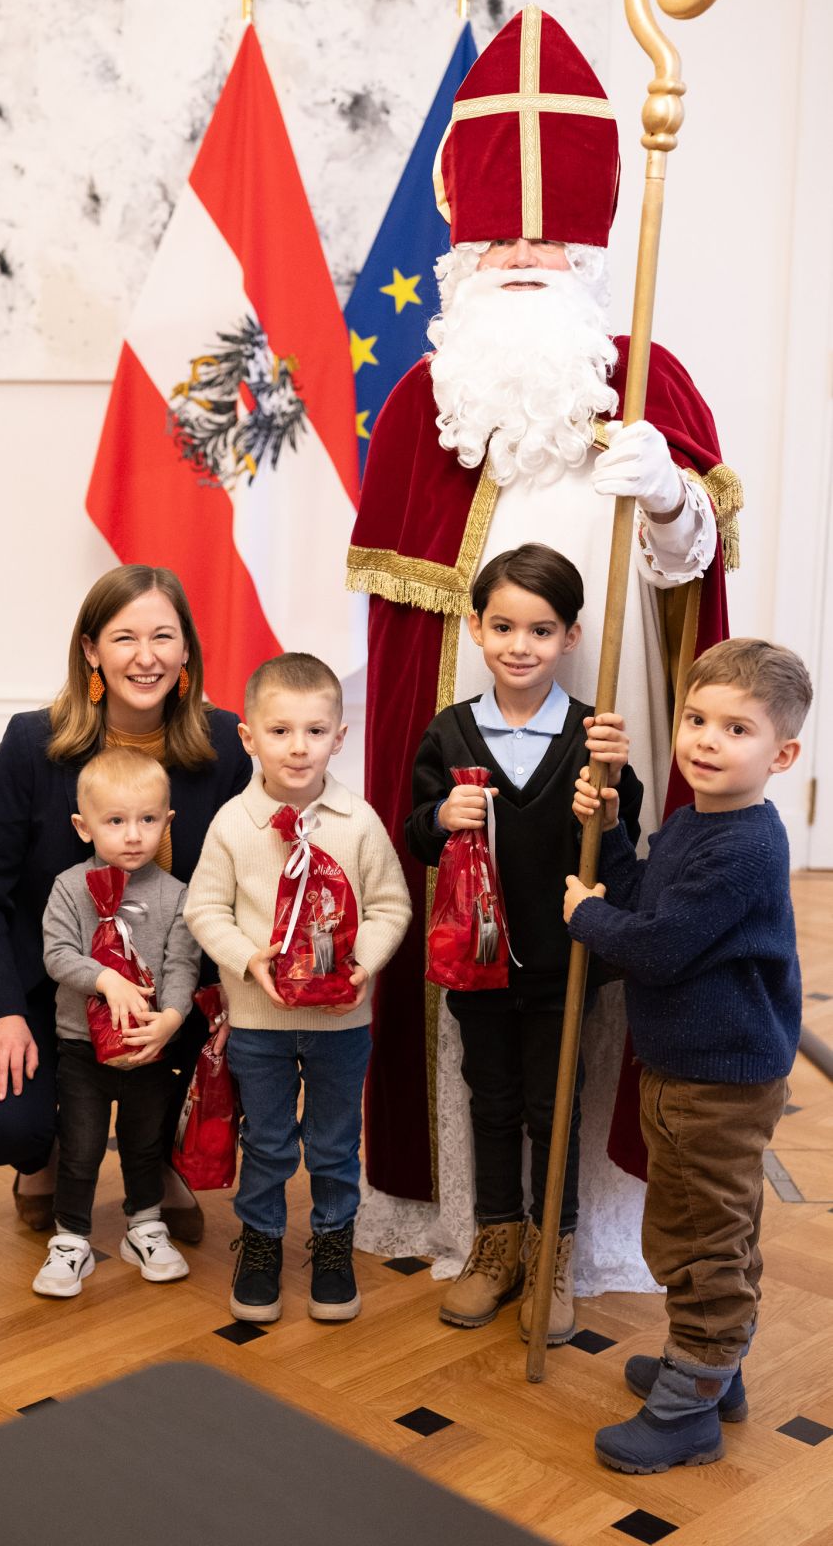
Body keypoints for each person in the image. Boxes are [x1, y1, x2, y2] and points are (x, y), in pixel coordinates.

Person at [345, 4, 741, 1267]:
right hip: (471, 755)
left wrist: (670, 490)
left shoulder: (646, 383)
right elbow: (400, 637)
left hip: (603, 726)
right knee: (481, 972)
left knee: (593, 941)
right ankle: (475, 1216)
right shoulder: (422, 402)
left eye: (548, 233)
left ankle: (591, 1228)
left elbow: (697, 584)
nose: (523, 251)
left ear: (586, 247)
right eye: (501, 232)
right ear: (463, 246)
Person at [0, 564, 251, 1248]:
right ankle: (40, 1153)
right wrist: (2, 1013)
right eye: (124, 638)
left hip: (175, 984)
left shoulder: (226, 745)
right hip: (46, 982)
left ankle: (160, 1154)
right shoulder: (30, 744)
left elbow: (241, 887)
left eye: (163, 637)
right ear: (90, 650)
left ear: (187, 649)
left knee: (262, 1056)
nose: (146, 657)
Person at [565, 638, 811, 1472]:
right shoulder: (692, 822)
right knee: (715, 1225)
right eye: (696, 720)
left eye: (735, 729)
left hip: (718, 1078)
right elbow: (646, 891)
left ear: (780, 754)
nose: (705, 740)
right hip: (684, 1069)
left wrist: (585, 917)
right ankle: (713, 1371)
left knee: (697, 1239)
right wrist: (607, 848)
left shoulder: (745, 846)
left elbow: (662, 945)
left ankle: (687, 1412)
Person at [406, 544, 641, 1345]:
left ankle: (553, 1256)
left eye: (539, 630)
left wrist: (603, 809)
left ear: (571, 637)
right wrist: (440, 821)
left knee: (554, 1109)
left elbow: (622, 848)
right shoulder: (450, 731)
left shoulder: (593, 738)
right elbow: (416, 829)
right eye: (502, 625)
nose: (518, 644)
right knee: (492, 1101)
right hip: (475, 964)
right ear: (474, 627)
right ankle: (494, 1246)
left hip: (561, 962)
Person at [185, 653, 411, 1324]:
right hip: (259, 1020)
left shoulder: (358, 823)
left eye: (315, 731)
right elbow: (205, 910)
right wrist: (245, 961)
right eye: (279, 731)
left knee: (337, 1142)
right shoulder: (233, 826)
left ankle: (333, 1241)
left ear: (339, 737)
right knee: (270, 1141)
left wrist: (363, 965)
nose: (298, 747)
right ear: (248, 737)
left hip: (341, 1023)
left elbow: (390, 907)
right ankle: (259, 1243)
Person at [36, 749, 201, 1295]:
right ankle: (72, 1238)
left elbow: (183, 965)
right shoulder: (68, 887)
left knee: (144, 1142)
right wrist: (106, 979)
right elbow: (58, 955)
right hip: (82, 1048)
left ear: (167, 823)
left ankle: (145, 1225)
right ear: (84, 827)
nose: (133, 835)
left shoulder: (177, 896)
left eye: (148, 820)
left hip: (149, 1048)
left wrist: (170, 1020)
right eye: (116, 821)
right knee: (80, 1145)